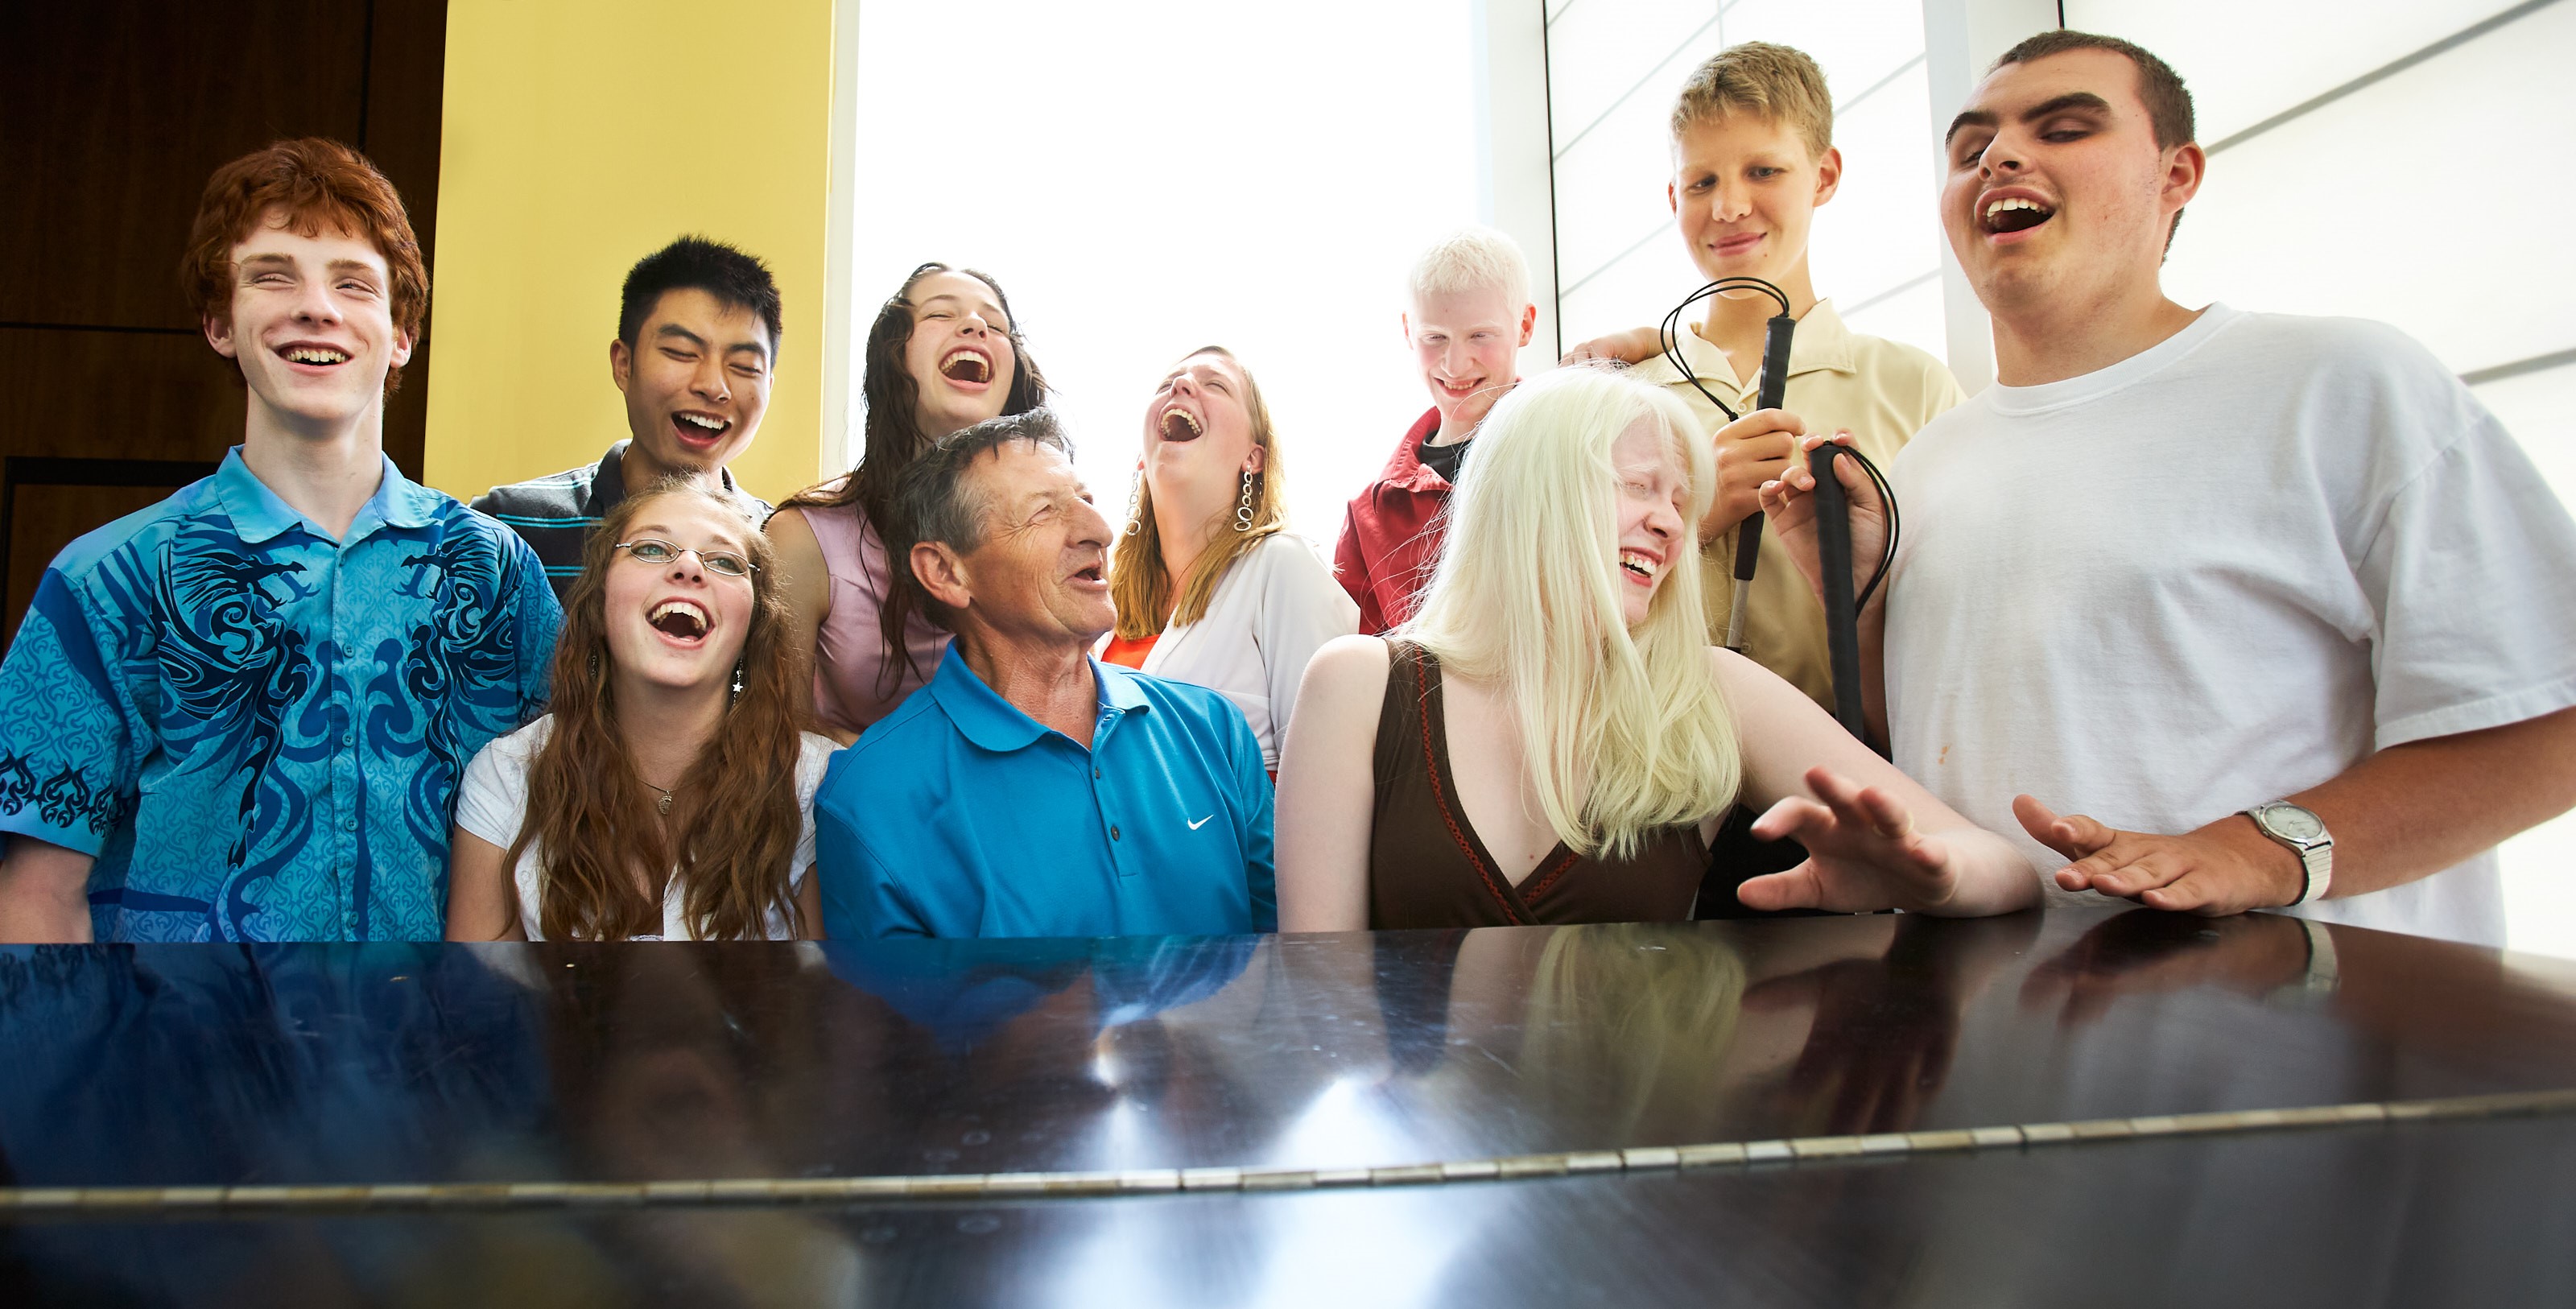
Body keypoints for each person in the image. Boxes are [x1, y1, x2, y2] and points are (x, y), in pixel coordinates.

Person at [1757, 31, 2576, 945]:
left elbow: (2549, 722)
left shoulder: (2339, 383)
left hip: (2304, 1045)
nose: (2000, 157)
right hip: (1999, 1051)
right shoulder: (1926, 463)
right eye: (1968, 147)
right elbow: (1928, 740)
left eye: (2063, 127)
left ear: (2176, 174)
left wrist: (2260, 851)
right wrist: (1857, 597)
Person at [0, 139, 559, 944]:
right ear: (220, 322)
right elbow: (39, 895)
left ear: (401, 334)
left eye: (352, 283)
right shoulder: (106, 579)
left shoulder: (497, 571)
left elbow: (577, 819)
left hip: (441, 1058)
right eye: (273, 275)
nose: (316, 308)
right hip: (181, 1061)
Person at [1274, 365, 2035, 931]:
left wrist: (1930, 879)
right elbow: (1325, 1004)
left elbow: (2003, 866)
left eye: (1680, 499)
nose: (1672, 525)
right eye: (1639, 486)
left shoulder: (1712, 690)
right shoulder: (1359, 687)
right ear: (1535, 492)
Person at [1564, 42, 1964, 711]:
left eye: (1763, 171)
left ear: (1825, 175)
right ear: (1673, 196)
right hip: (1649, 791)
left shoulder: (1916, 389)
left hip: (1858, 782)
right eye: (1702, 183)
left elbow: (1954, 626)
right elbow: (1555, 620)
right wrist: (1700, 515)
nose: (1728, 207)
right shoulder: (1617, 400)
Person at [813, 411, 1275, 939]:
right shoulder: (871, 801)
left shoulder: (1214, 729)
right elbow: (901, 1021)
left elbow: (1292, 966)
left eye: (1087, 502)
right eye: (1043, 513)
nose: (1099, 532)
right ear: (945, 572)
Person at [445, 483, 836, 940]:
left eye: (725, 561)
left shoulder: (817, 786)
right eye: (652, 548)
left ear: (755, 628)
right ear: (599, 600)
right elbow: (484, 1005)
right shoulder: (507, 778)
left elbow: (820, 1001)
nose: (689, 567)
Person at [769, 263, 1049, 741]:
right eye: (941, 314)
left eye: (995, 324)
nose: (975, 325)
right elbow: (776, 727)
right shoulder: (803, 539)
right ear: (894, 356)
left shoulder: (1047, 534)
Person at [474, 237, 782, 601]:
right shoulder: (507, 528)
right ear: (624, 364)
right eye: (682, 353)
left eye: (744, 366)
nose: (714, 387)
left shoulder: (783, 544)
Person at [1104, 346, 1358, 772]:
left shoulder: (1283, 567)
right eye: (1167, 385)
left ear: (1253, 458)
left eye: (1215, 385)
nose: (1181, 387)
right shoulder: (1103, 600)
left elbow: (1334, 773)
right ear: (1141, 462)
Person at [1334, 227, 1538, 634]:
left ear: (1525, 326)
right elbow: (1359, 659)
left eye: (1480, 336)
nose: (1455, 364)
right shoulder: (1370, 514)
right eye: (1436, 338)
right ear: (1409, 330)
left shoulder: (1572, 449)